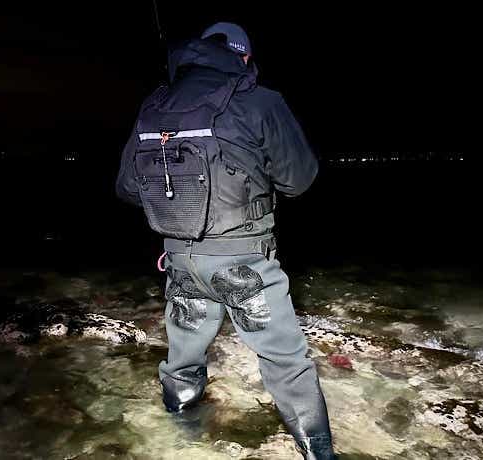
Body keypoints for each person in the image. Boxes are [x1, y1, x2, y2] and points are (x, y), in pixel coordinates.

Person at [115, 22, 335, 459]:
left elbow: (127, 188)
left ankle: (175, 432)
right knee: (285, 361)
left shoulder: (154, 105)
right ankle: (318, 451)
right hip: (244, 264)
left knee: (183, 355)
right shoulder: (260, 100)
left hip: (181, 263)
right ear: (245, 58)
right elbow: (299, 179)